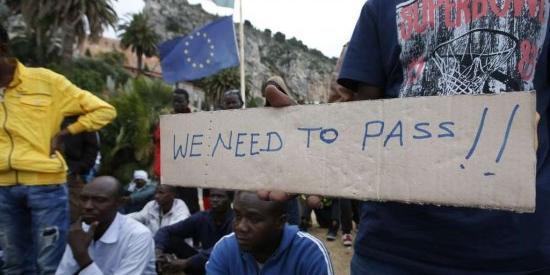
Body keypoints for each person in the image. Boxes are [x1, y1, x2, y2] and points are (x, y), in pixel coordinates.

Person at [264, 1, 550, 274]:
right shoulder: (380, 6)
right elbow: (363, 122)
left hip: (523, 253)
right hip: (393, 252)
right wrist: (307, 143)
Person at [0, 24, 117, 274]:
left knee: (49, 266)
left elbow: (104, 110)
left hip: (45, 187)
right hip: (3, 190)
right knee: (13, 265)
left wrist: (67, 131)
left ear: (3, 48)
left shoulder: (45, 80)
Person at [206, 191, 334, 275]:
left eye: (254, 219)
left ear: (280, 221)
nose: (241, 227)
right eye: (238, 215)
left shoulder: (309, 252)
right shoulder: (225, 249)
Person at [55, 176, 156, 274]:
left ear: (120, 203)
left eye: (99, 200)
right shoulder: (81, 231)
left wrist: (82, 256)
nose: (87, 206)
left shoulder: (138, 235)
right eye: (84, 199)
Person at [154, 189, 234, 275]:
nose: (214, 199)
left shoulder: (235, 220)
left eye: (220, 196)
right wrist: (158, 252)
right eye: (212, 196)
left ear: (230, 199)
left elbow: (224, 249)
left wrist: (187, 262)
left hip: (227, 265)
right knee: (170, 240)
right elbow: (166, 230)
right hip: (202, 262)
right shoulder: (202, 217)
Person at [153, 88, 200, 214]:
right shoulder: (165, 120)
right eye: (175, 101)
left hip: (187, 173)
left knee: (189, 204)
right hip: (168, 172)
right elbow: (159, 143)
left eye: (180, 101)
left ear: (187, 102)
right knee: (167, 204)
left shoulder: (195, 120)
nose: (177, 104)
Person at [61, 115, 101, 223]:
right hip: (45, 174)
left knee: (74, 214)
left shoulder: (82, 122)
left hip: (73, 175)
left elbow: (92, 150)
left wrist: (76, 169)